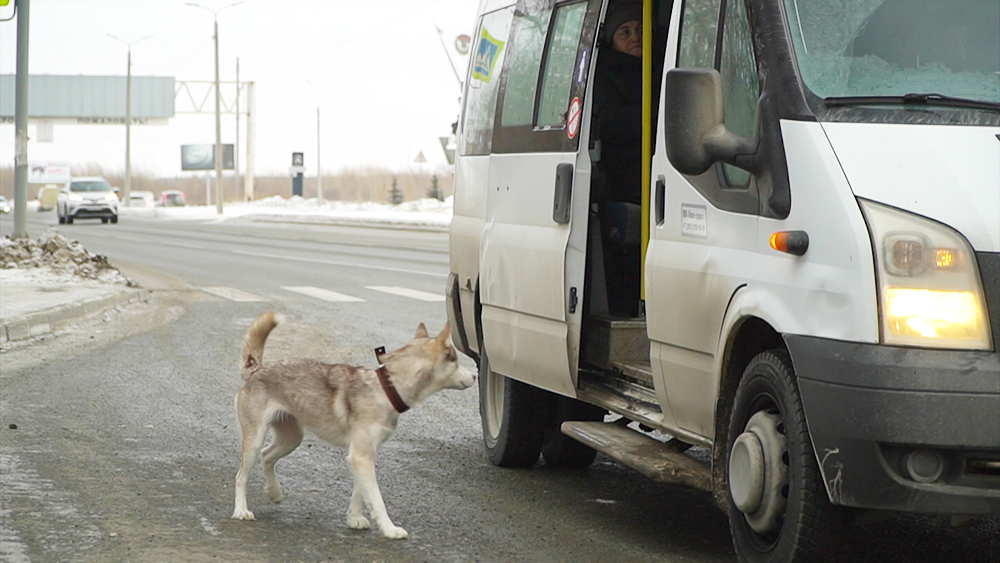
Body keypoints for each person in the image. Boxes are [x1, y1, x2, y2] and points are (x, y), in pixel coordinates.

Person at [591, 1, 644, 317]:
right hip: (623, 180)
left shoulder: (660, 67)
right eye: (625, 31)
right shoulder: (604, 76)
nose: (635, 36)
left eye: (639, 28)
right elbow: (613, 123)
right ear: (612, 40)